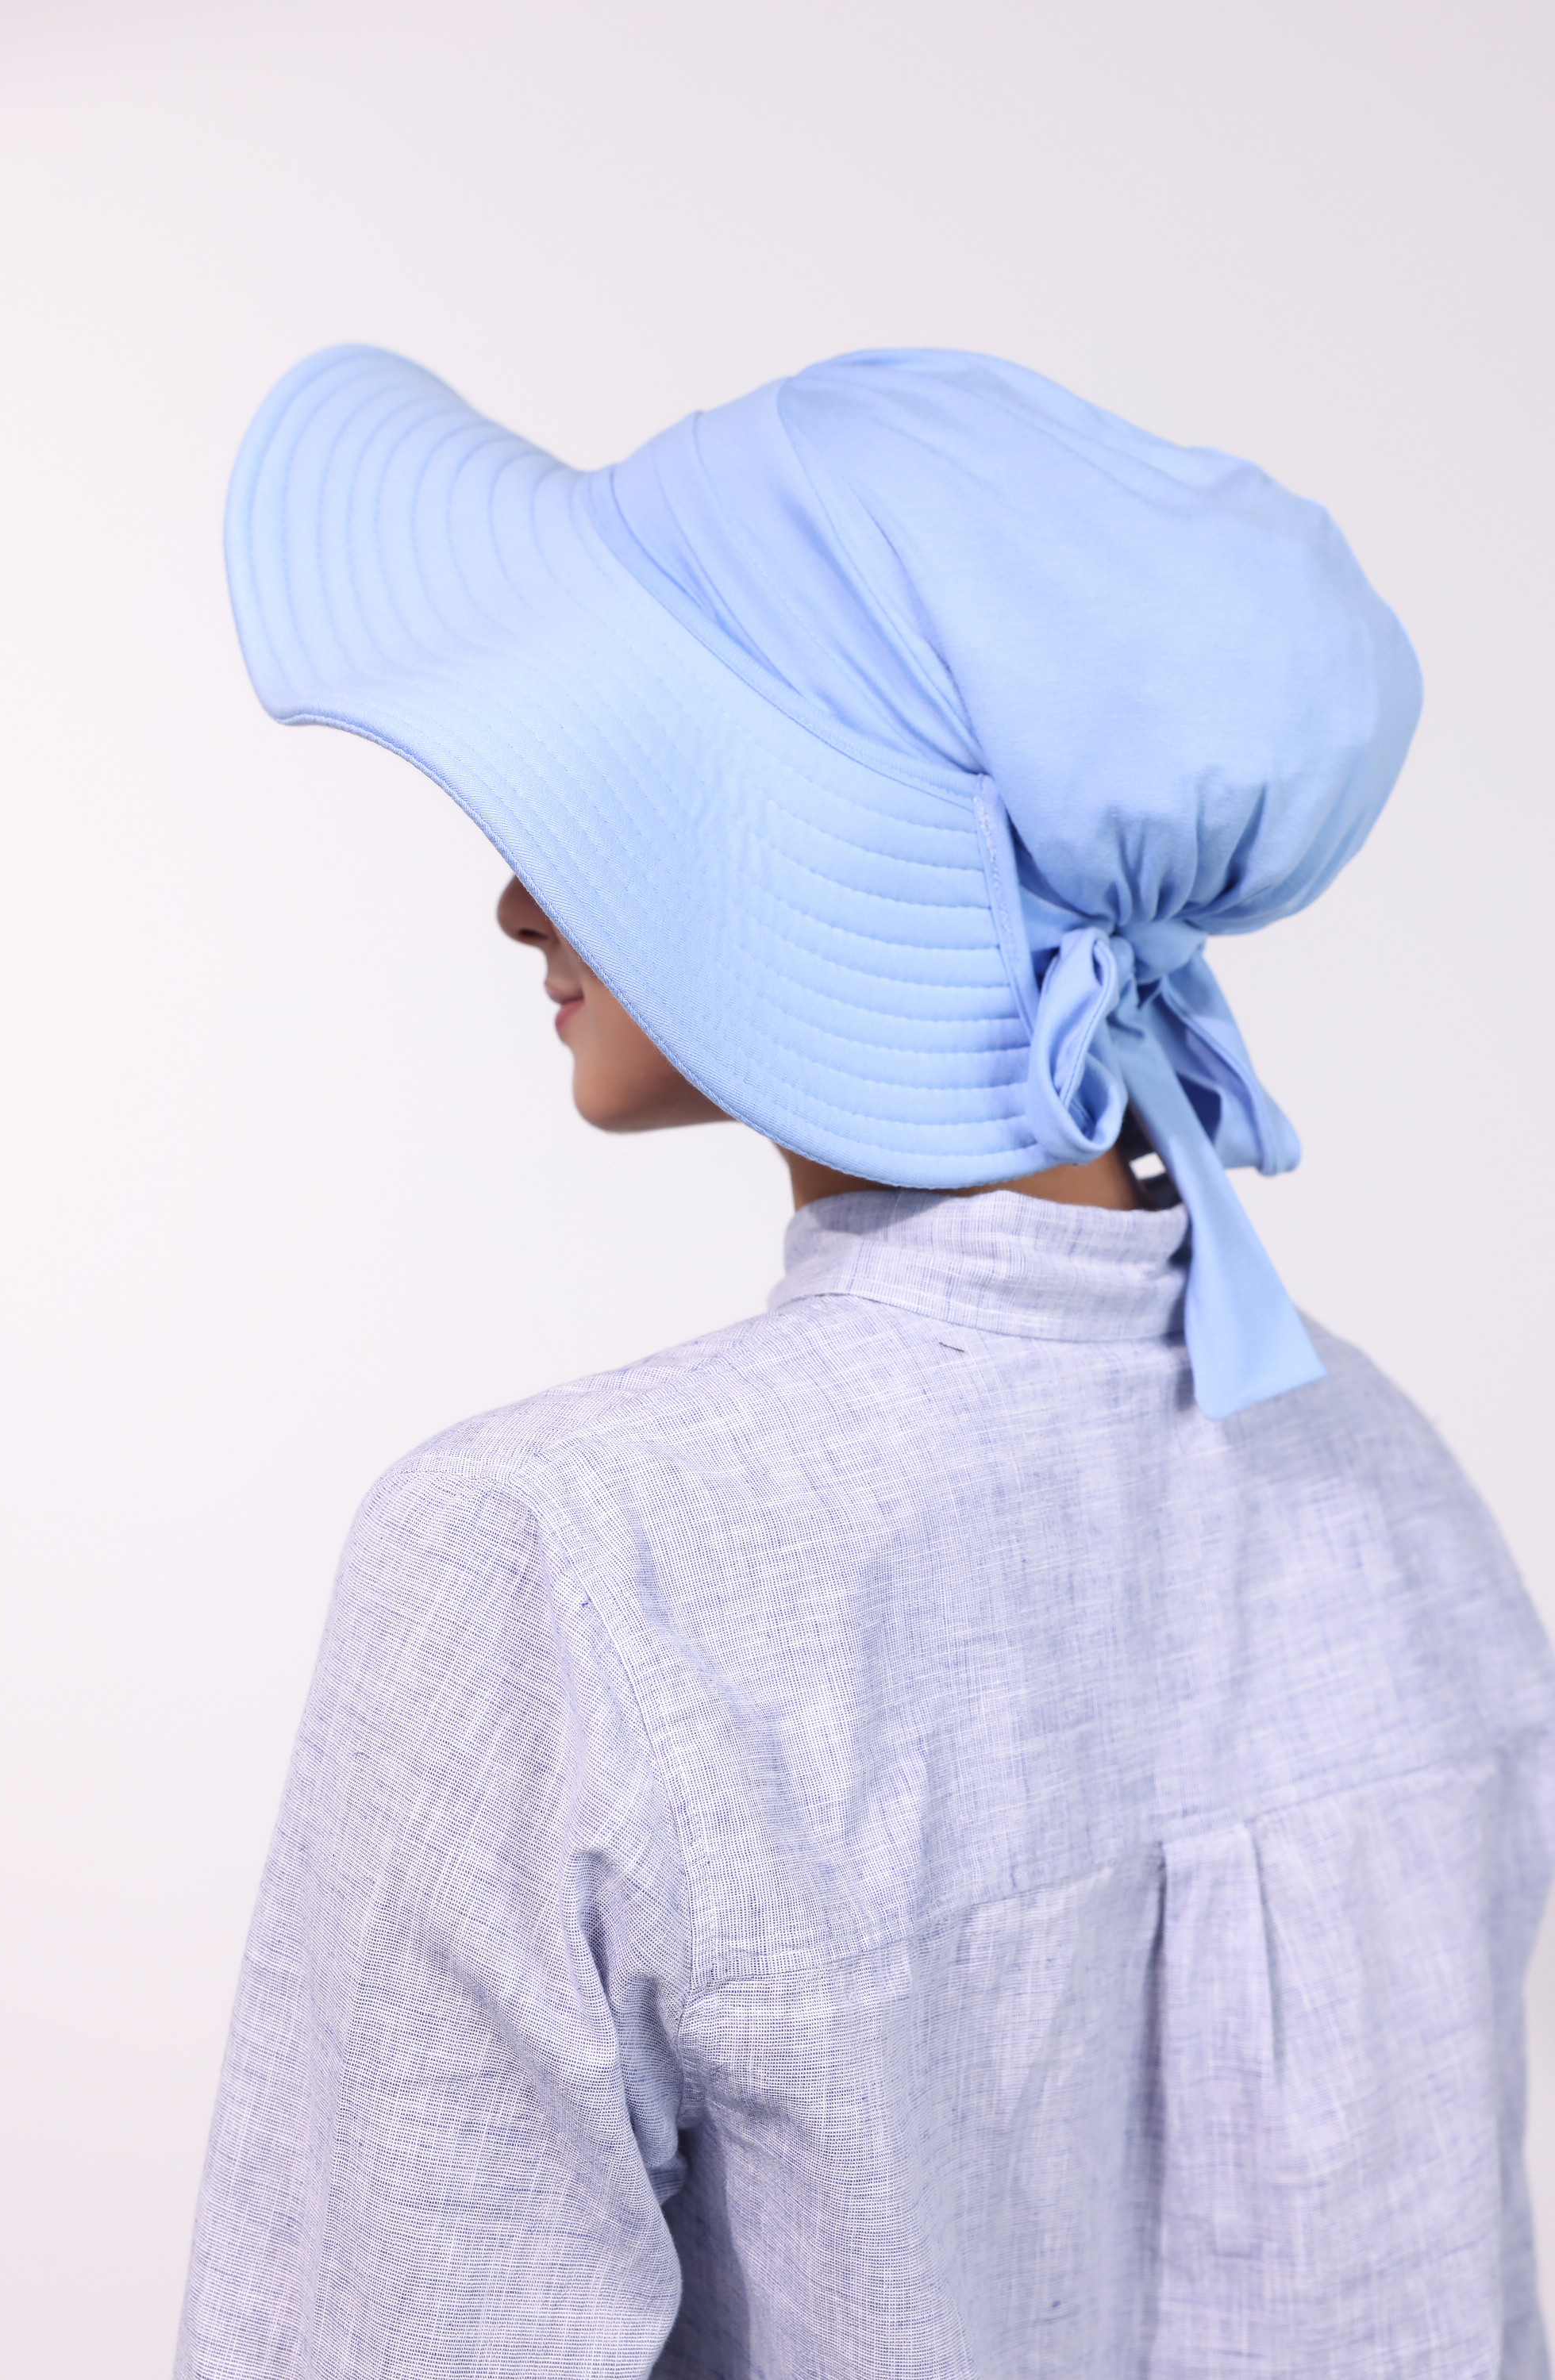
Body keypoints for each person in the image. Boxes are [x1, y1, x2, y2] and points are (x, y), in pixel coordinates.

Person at [177, 345, 1555, 2378]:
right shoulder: (1396, 1495)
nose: (514, 894)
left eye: (618, 777)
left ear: (818, 847)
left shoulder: (548, 1570)